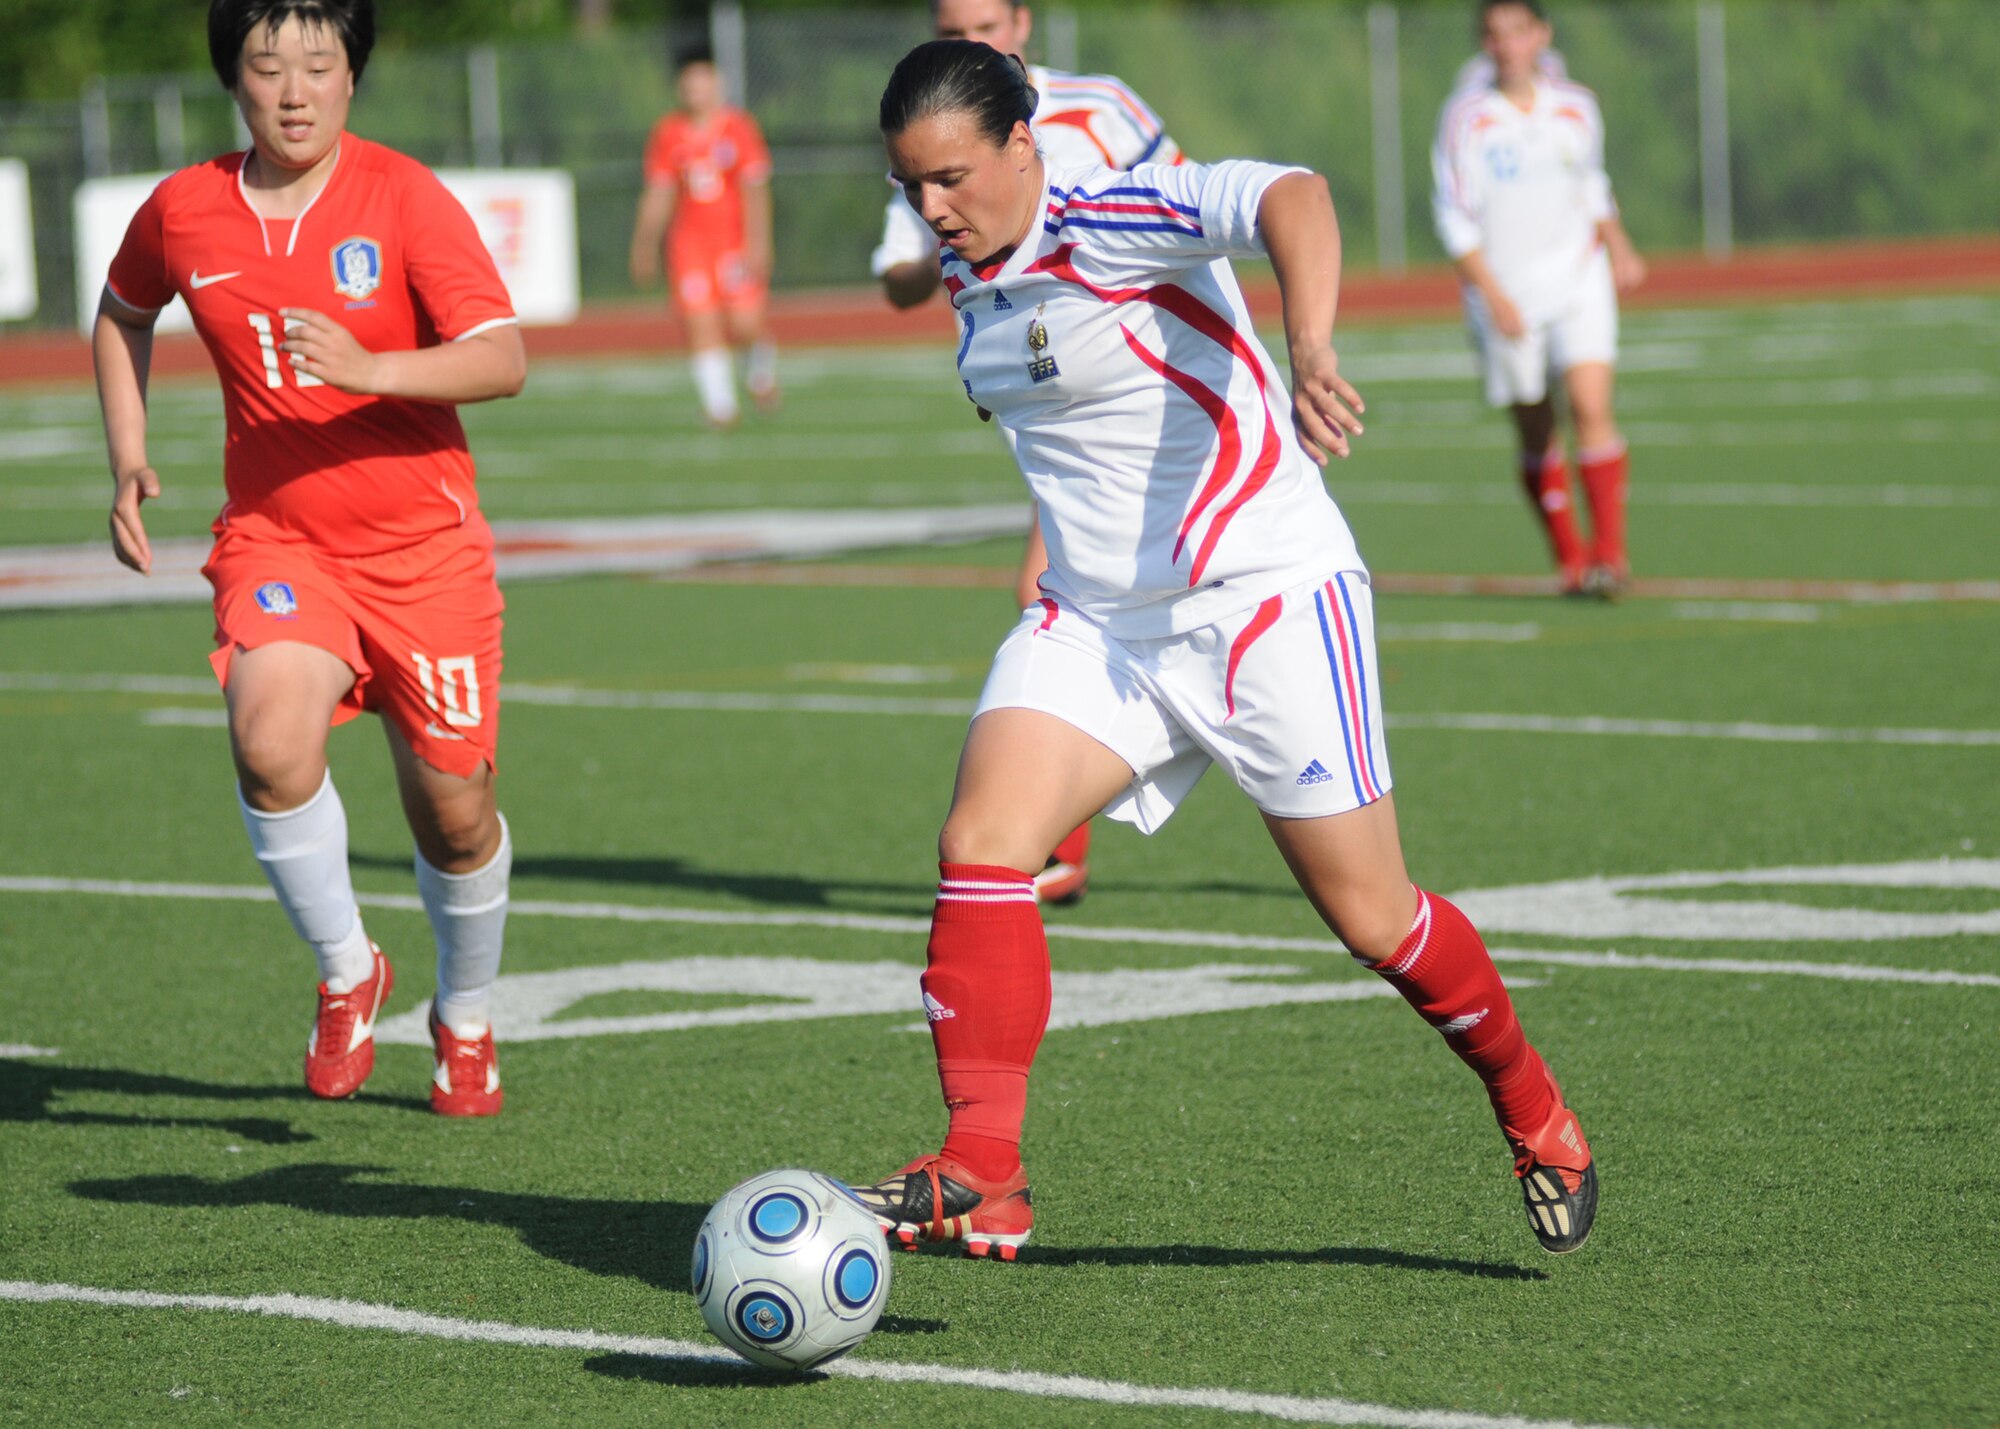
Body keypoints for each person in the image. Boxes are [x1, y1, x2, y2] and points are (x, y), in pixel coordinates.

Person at [853, 40, 1598, 1262]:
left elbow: (1289, 194)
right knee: (981, 847)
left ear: (1021, 146)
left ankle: (1531, 1105)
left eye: (949, 177)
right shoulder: (963, 263)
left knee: (1374, 920)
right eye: (909, 185)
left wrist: (1308, 346)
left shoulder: (1110, 217)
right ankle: (983, 1167)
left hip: (1262, 599)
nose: (930, 208)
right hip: (1100, 621)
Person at [94, 0, 525, 1116]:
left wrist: (374, 368)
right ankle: (347, 968)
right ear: (231, 78)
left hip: (425, 553)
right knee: (268, 741)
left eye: (318, 65)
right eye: (266, 65)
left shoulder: (402, 196)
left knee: (455, 814)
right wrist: (129, 457)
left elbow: (501, 356)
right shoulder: (184, 208)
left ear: (351, 76)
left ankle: (465, 1020)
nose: (293, 89)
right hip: (280, 541)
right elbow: (120, 311)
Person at [872, 0, 1185, 904]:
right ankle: (1057, 848)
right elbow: (897, 282)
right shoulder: (932, 133)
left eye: (984, 24)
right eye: (951, 26)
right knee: (1067, 599)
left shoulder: (1100, 108)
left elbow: (1192, 213)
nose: (969, 43)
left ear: (1023, 20)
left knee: (1069, 598)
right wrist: (956, 228)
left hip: (1151, 396)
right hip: (1053, 412)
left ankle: (1058, 843)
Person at [1433, 0, 1644, 597]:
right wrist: (1493, 294)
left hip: (1580, 277)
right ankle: (1572, 557)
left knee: (1590, 405)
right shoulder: (1466, 119)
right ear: (1485, 43)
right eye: (1494, 34)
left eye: (1519, 32)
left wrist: (1618, 243)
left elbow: (1592, 183)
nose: (1508, 45)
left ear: (1541, 36)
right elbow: (1453, 217)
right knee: (1535, 425)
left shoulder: (1576, 106)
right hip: (1505, 296)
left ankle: (1612, 555)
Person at [630, 42, 778, 428]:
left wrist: (758, 242)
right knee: (700, 321)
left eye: (702, 80)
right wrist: (645, 243)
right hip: (690, 246)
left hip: (733, 241)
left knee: (745, 322)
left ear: (716, 82)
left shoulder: (739, 128)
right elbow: (659, 192)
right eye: (688, 81)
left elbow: (755, 190)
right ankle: (721, 407)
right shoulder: (668, 134)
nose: (695, 89)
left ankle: (760, 372)